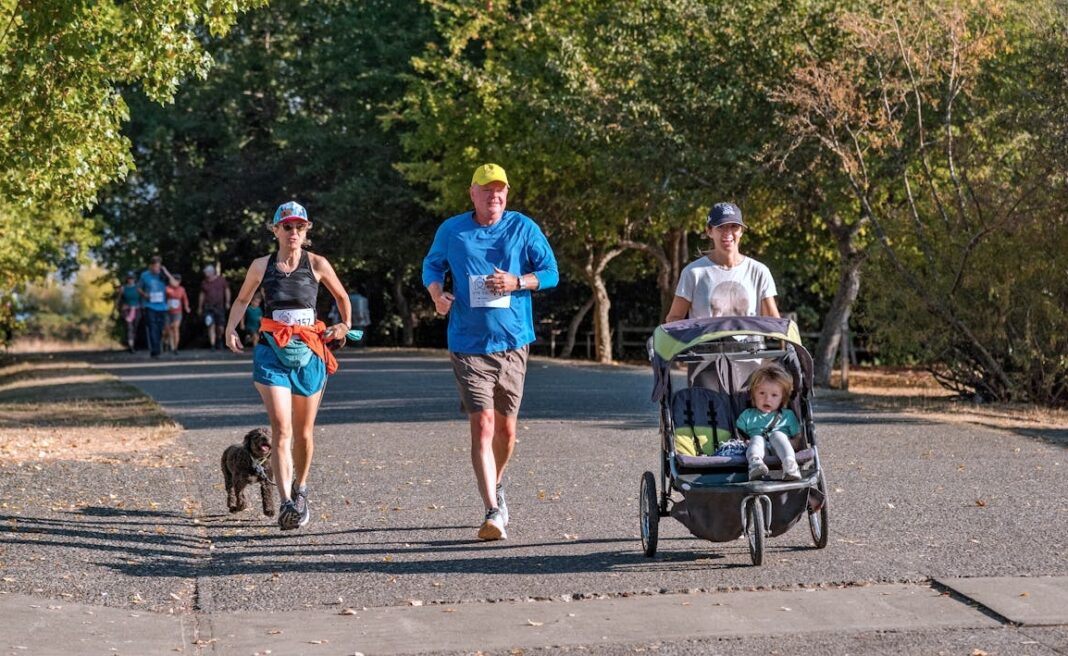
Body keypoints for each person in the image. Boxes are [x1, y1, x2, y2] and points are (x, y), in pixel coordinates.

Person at [422, 163, 559, 541]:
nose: (493, 196)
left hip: (513, 342)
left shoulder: (522, 227)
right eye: (486, 190)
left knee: (507, 430)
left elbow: (551, 272)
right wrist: (437, 294)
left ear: (506, 194)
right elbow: (431, 266)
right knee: (482, 425)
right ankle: (492, 510)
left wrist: (518, 281)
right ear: (473, 193)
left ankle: (495, 484)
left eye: (500, 190)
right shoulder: (452, 230)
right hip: (467, 343)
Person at [224, 201, 351, 531]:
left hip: (310, 350)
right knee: (281, 428)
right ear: (275, 230)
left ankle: (301, 489)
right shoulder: (260, 266)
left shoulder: (318, 263)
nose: (293, 232)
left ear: (306, 230)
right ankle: (286, 504)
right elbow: (241, 300)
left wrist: (344, 325)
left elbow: (342, 298)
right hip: (271, 351)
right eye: (287, 226)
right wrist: (230, 328)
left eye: (299, 227)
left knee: (304, 433)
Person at [664, 202, 780, 322]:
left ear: (741, 231)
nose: (728, 233)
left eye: (734, 226)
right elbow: (674, 318)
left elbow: (774, 321)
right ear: (709, 231)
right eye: (720, 226)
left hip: (751, 342)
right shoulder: (693, 273)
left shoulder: (759, 272)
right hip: (707, 341)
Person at [736, 363, 801, 481]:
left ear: (783, 398)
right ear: (753, 395)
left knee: (778, 435)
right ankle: (755, 465)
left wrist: (793, 442)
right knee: (756, 439)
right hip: (759, 451)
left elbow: (798, 438)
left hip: (781, 450)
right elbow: (737, 435)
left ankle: (790, 465)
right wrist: (744, 442)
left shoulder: (787, 416)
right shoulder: (747, 415)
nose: (767, 399)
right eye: (761, 393)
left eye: (774, 395)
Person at [138, 256, 177, 358]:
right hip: (150, 306)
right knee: (152, 328)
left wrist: (166, 272)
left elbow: (175, 284)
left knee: (161, 329)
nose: (157, 269)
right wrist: (145, 295)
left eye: (158, 267)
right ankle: (155, 350)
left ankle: (158, 346)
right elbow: (139, 288)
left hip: (162, 307)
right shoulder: (144, 275)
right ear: (150, 266)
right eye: (155, 267)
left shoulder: (163, 275)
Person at [199, 264, 232, 351]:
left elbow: (227, 290)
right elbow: (202, 295)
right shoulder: (204, 283)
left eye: (206, 272)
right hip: (208, 307)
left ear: (212, 272)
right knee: (210, 325)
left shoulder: (221, 280)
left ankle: (219, 339)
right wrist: (200, 307)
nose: (205, 274)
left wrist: (227, 302)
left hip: (219, 307)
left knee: (220, 327)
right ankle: (213, 345)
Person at [164, 274, 191, 354]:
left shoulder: (182, 289)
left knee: (175, 327)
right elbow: (163, 298)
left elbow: (185, 299)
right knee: (167, 329)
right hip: (167, 312)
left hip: (177, 312)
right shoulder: (167, 288)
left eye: (178, 280)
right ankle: (166, 341)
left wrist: (186, 307)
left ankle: (175, 347)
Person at [117, 271, 141, 353]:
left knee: (135, 327)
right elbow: (119, 299)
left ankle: (133, 344)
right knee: (129, 327)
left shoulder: (138, 287)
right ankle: (131, 346)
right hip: (126, 309)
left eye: (132, 278)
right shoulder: (123, 288)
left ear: (134, 279)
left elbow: (143, 296)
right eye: (129, 278)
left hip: (136, 309)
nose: (130, 280)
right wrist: (119, 307)